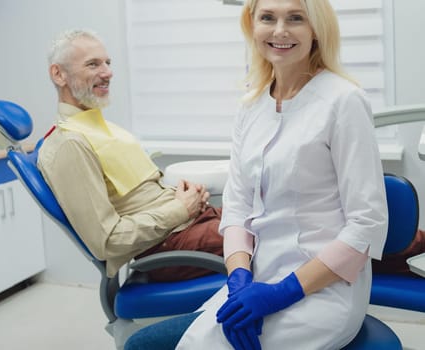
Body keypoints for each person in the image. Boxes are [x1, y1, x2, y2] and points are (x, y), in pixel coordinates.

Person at [124, 0, 388, 349]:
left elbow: (367, 224)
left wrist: (282, 293)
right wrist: (239, 279)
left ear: (316, 30)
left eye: (295, 18)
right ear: (252, 25)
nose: (280, 30)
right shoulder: (251, 107)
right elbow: (237, 207)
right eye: (268, 18)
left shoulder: (344, 101)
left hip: (324, 291)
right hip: (256, 284)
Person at [37, 29, 224, 282]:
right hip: (170, 246)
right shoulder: (70, 145)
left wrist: (180, 195)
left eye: (108, 63)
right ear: (58, 74)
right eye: (93, 64)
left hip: (191, 224)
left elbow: (140, 196)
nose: (107, 72)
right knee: (275, 235)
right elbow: (106, 241)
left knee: (276, 213)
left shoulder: (100, 127)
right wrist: (179, 209)